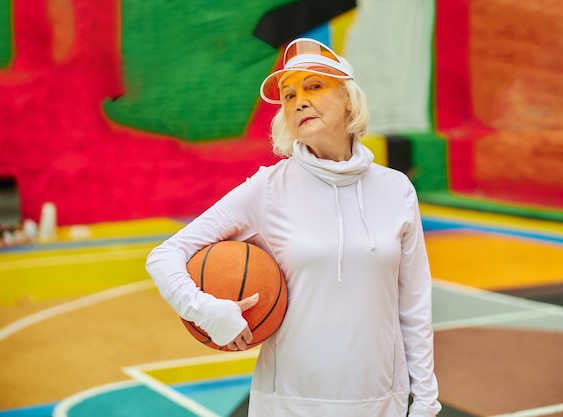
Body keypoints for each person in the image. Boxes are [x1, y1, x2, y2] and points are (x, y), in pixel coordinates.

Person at [146, 37, 441, 417]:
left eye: (314, 86)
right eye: (288, 95)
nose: (299, 100)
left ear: (349, 97)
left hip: (381, 401)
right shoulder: (268, 188)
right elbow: (165, 255)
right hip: (291, 403)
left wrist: (427, 401)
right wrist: (204, 309)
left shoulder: (396, 189)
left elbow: (414, 303)